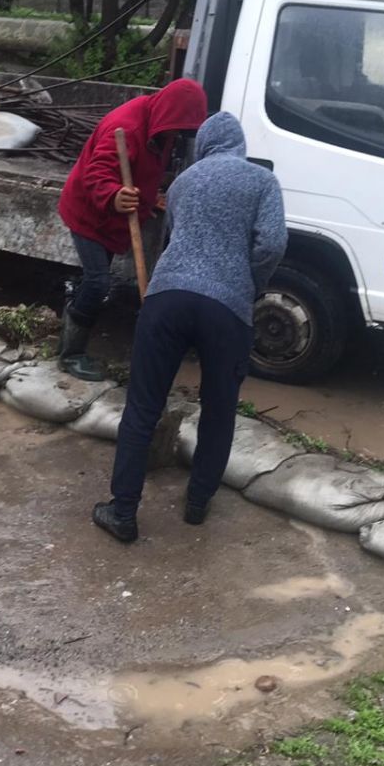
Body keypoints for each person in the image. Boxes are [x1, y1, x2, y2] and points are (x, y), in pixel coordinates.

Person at [91, 112, 288, 543]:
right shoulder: (262, 182)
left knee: (143, 406)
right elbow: (272, 243)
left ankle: (123, 512)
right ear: (240, 145)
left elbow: (174, 239)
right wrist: (249, 282)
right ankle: (197, 504)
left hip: (167, 299)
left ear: (203, 145)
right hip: (226, 310)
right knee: (218, 410)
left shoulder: (183, 183)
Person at [56, 78, 207, 382]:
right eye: (178, 127)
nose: (178, 135)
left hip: (113, 217)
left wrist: (146, 202)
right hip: (88, 213)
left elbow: (144, 169)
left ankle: (74, 305)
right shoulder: (125, 127)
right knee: (98, 283)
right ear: (170, 114)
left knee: (95, 282)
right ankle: (70, 353)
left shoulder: (160, 128)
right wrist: (113, 195)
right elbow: (97, 173)